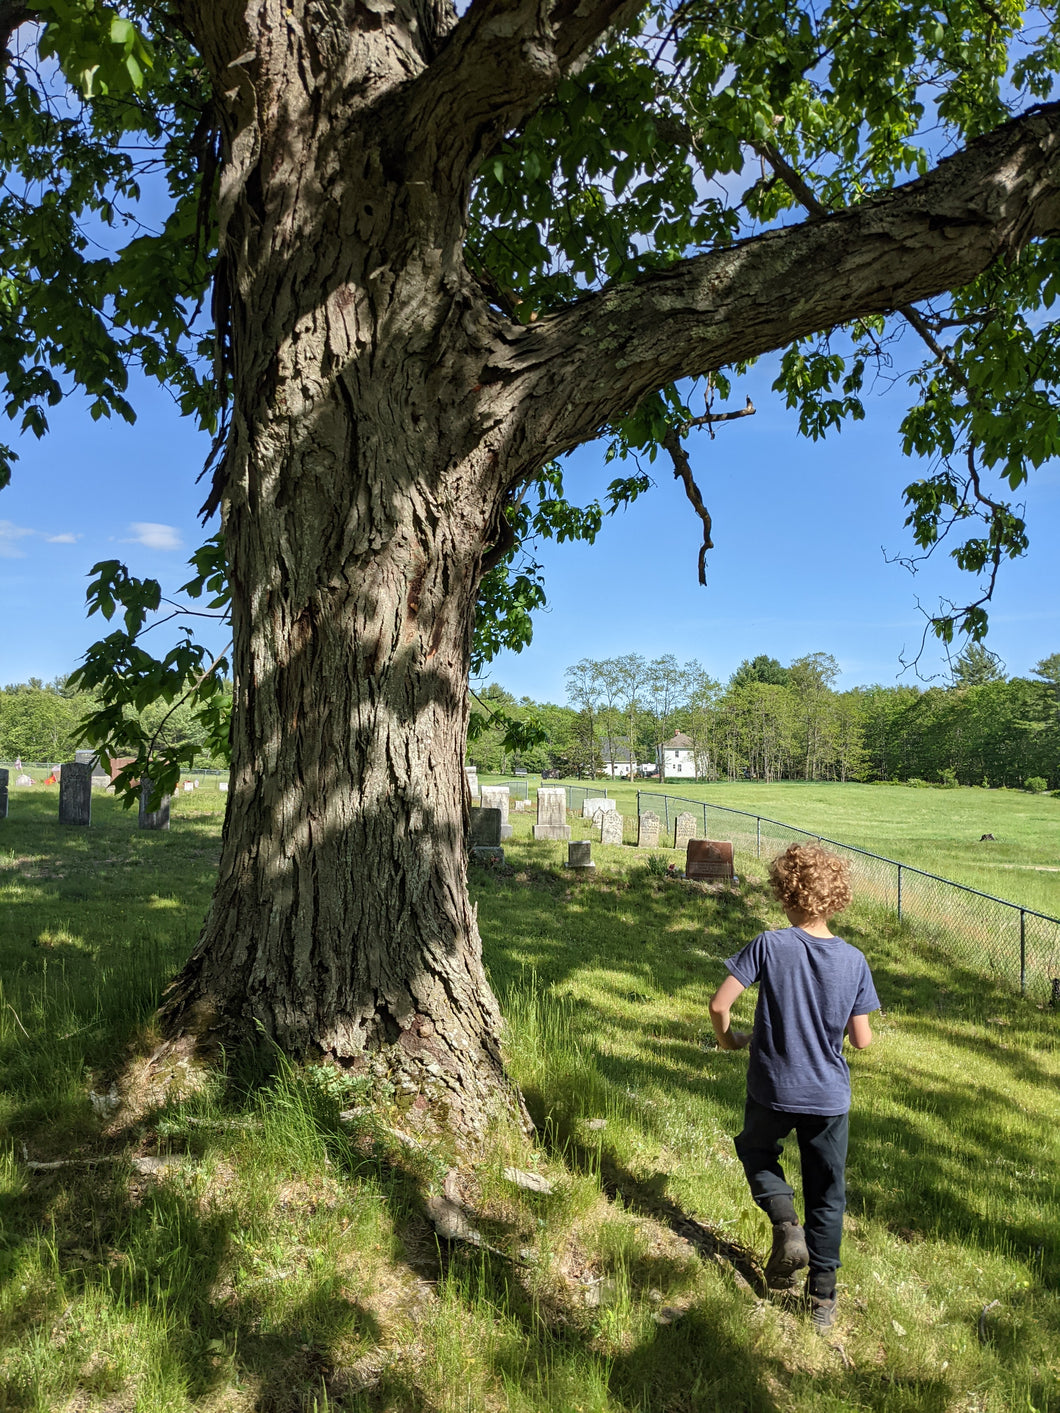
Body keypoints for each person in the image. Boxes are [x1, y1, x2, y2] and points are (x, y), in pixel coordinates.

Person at [709, 843, 880, 1332]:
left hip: (771, 1087)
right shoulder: (854, 960)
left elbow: (720, 1006)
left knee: (756, 1150)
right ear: (836, 899)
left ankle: (786, 1225)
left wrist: (731, 1041)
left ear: (785, 895)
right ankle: (823, 1299)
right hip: (828, 1097)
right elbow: (862, 1041)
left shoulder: (769, 945)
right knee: (828, 1193)